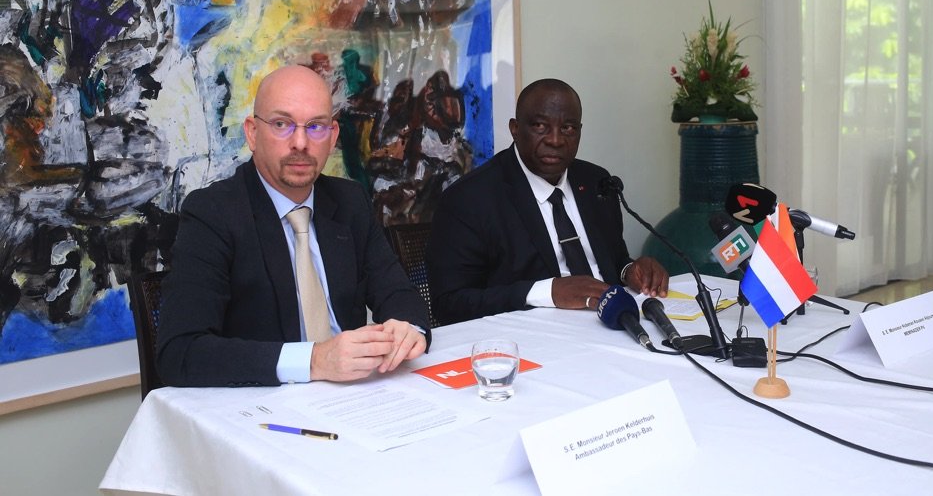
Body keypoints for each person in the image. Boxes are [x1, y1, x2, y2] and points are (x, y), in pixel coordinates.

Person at [157, 65, 430, 387]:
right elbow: (180, 352)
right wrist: (315, 361)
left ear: (333, 136)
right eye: (281, 124)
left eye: (316, 126)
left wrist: (407, 329)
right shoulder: (213, 213)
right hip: (264, 403)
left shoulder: (350, 201)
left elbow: (398, 292)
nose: (300, 142)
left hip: (353, 394)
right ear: (252, 133)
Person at [427, 78, 669, 324]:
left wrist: (630, 271)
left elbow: (613, 262)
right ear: (515, 129)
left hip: (615, 320)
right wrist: (547, 292)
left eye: (568, 128)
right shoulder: (469, 199)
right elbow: (449, 304)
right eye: (540, 126)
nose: (556, 140)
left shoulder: (597, 181)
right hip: (532, 334)